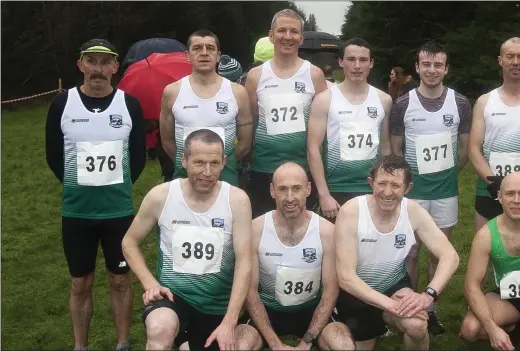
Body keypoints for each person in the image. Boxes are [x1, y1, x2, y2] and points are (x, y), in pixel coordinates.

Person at [45, 38, 146, 351]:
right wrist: (80, 183)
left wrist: (113, 184)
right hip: (77, 213)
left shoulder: (129, 105)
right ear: (81, 65)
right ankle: (80, 346)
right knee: (80, 283)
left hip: (117, 212)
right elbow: (53, 156)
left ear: (115, 67)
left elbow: (139, 159)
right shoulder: (63, 103)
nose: (98, 69)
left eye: (105, 63)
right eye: (92, 61)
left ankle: (122, 343)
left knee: (119, 279)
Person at [122, 129, 258, 351]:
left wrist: (230, 321)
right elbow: (129, 242)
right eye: (199, 162)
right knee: (160, 329)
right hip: (174, 299)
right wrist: (151, 284)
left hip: (218, 307)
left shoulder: (237, 200)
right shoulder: (161, 196)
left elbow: (244, 263)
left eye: (214, 163)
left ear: (224, 162)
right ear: (184, 160)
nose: (207, 172)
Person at [334, 155, 460, 350]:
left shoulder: (412, 211)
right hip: (357, 293)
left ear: (408, 188)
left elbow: (450, 256)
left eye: (395, 185)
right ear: (371, 183)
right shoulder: (352, 212)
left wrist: (428, 294)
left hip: (393, 284)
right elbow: (346, 278)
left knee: (417, 325)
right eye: (382, 183)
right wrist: (391, 306)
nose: (387, 192)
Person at [389, 40, 472, 334]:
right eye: (426, 64)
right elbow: (396, 150)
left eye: (438, 65)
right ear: (417, 67)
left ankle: (430, 308)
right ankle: (405, 307)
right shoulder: (402, 104)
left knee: (439, 254)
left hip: (445, 193)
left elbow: (464, 151)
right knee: (409, 253)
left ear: (446, 69)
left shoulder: (460, 103)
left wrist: (447, 174)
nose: (432, 70)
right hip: (412, 195)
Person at [238, 162, 355, 350]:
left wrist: (306, 343)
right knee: (239, 345)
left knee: (344, 346)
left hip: (312, 308)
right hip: (268, 309)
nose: (290, 198)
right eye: (283, 189)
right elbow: (249, 292)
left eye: (297, 189)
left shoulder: (327, 232)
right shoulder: (255, 230)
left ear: (308, 189)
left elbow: (331, 291)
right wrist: (275, 344)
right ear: (272, 191)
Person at [245, 9, 328, 217]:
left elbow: (323, 124)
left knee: (302, 227)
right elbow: (252, 120)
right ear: (271, 36)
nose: (288, 37)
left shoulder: (314, 75)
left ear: (301, 37)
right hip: (264, 168)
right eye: (282, 30)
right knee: (264, 227)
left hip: (303, 168)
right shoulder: (255, 76)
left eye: (294, 31)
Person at [307, 38, 392, 222]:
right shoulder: (324, 100)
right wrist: (323, 194)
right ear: (341, 62)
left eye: (363, 60)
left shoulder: (384, 100)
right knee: (336, 248)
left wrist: (387, 187)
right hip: (336, 189)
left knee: (370, 247)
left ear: (371, 64)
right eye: (351, 59)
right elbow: (313, 149)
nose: (357, 66)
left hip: (372, 188)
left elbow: (386, 146)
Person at [159, 29, 253, 185]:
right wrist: (191, 163)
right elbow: (167, 142)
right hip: (184, 174)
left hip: (225, 175)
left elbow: (245, 144)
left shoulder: (237, 92)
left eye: (210, 48)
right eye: (197, 48)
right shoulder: (172, 91)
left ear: (218, 55)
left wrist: (222, 162)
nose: (204, 53)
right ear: (187, 56)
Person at [460, 172, 520, 351]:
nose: (517, 200)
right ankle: (511, 327)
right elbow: (471, 286)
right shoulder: (486, 235)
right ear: (499, 197)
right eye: (510, 194)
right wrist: (492, 329)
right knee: (470, 329)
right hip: (511, 295)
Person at [469, 37, 520, 234]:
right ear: (501, 61)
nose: (516, 61)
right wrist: (494, 182)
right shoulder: (485, 102)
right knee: (486, 248)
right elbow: (474, 149)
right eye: (510, 56)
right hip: (489, 188)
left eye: (519, 56)